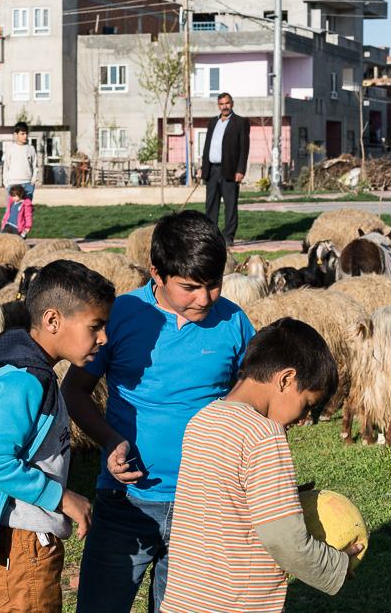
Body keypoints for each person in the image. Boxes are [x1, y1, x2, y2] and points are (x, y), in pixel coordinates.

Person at [62, 209, 256, 613]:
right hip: (126, 502)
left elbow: (253, 405)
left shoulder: (235, 322)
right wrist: (110, 440)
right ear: (156, 272)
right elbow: (75, 391)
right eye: (189, 287)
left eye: (214, 285)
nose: (204, 299)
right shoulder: (120, 317)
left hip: (204, 505)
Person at [0, 259, 115, 613]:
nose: (104, 338)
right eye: (95, 326)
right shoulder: (24, 381)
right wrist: (61, 497)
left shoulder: (34, 375)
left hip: (19, 544)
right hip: (19, 546)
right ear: (53, 320)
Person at [161, 317, 363, 613]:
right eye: (307, 404)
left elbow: (221, 498)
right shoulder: (264, 434)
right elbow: (285, 541)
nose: (305, 418)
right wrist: (336, 565)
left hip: (186, 598)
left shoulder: (202, 421)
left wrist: (280, 495)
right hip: (235, 604)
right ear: (286, 379)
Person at [200, 92, 250, 247]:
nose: (225, 107)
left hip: (230, 170)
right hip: (212, 170)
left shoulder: (240, 122)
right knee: (211, 204)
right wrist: (204, 168)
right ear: (218, 105)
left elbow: (244, 148)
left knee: (230, 205)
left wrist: (240, 170)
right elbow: (207, 146)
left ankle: (228, 236)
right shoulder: (212, 122)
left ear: (232, 103)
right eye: (221, 104)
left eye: (227, 103)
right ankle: (211, 236)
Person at [3, 121, 40, 202]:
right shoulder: (10, 149)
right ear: (16, 134)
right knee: (11, 212)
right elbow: (6, 167)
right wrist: (6, 184)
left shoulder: (31, 149)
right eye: (22, 134)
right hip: (13, 184)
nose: (25, 136)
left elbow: (35, 166)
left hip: (27, 184)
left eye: (26, 133)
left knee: (27, 212)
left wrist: (33, 182)